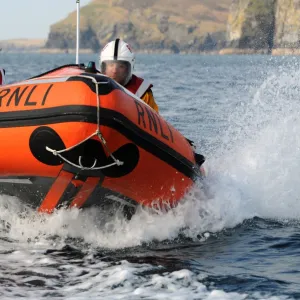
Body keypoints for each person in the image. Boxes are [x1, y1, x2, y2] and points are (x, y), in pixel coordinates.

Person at [99, 38, 159, 112]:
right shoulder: (94, 86)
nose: (115, 71)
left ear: (129, 68)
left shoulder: (142, 93)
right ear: (103, 67)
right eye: (111, 65)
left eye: (121, 66)